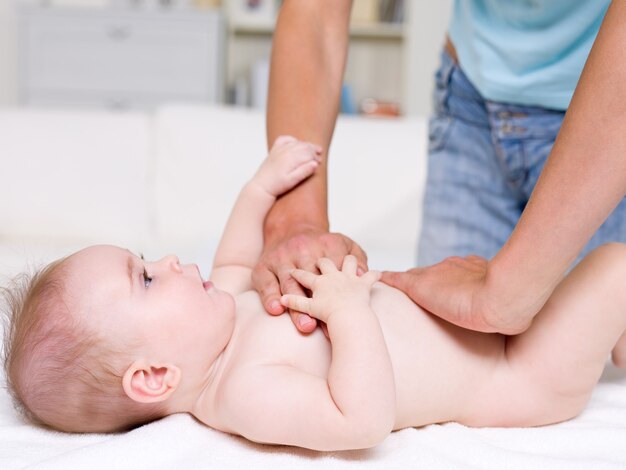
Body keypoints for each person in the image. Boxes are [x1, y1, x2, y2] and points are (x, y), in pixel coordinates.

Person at [4, 136, 626, 451]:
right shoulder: (240, 390)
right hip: (513, 375)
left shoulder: (220, 311)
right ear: (154, 376)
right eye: (144, 278)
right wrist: (349, 312)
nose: (165, 260)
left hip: (487, 319)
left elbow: (237, 257)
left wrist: (259, 188)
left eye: (144, 255)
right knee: (614, 268)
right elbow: (359, 422)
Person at [254, 0, 626, 336]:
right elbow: (317, 10)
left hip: (606, 113)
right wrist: (295, 220)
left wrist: (508, 294)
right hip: (471, 98)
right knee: (441, 337)